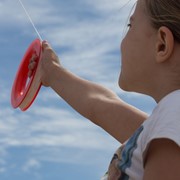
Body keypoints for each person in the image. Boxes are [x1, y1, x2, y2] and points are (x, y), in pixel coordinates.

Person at [28, 0, 180, 179]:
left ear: (161, 44)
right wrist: (52, 71)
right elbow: (101, 105)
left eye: (131, 25)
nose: (122, 41)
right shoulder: (167, 120)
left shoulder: (174, 113)